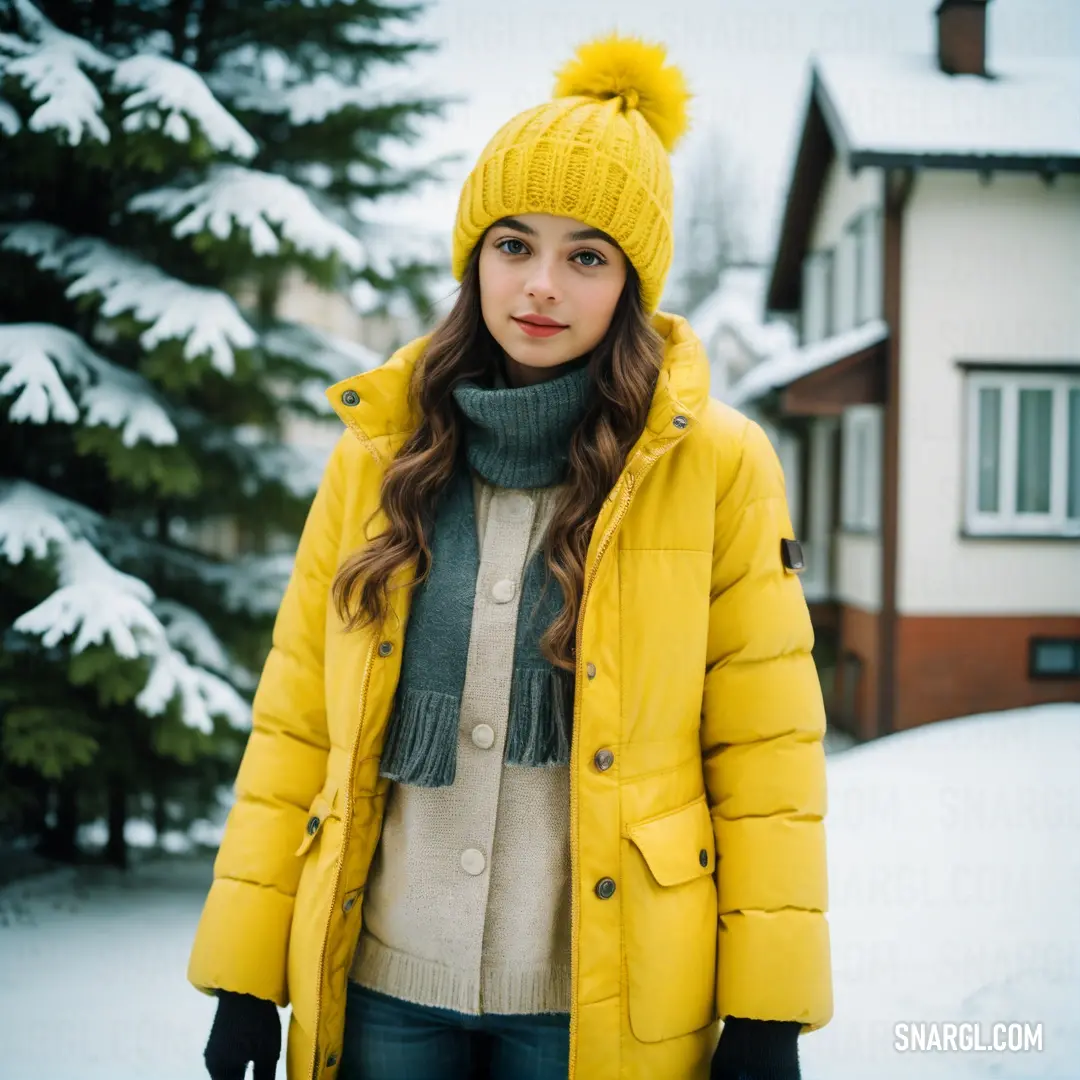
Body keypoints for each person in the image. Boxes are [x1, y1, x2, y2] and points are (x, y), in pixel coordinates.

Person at [190, 32, 832, 1080]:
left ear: (631, 282)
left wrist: (767, 1015)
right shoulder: (379, 456)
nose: (541, 285)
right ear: (473, 257)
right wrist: (245, 974)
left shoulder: (716, 465)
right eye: (513, 244)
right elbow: (299, 722)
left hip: (596, 995)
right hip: (385, 981)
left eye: (586, 256)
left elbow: (767, 761)